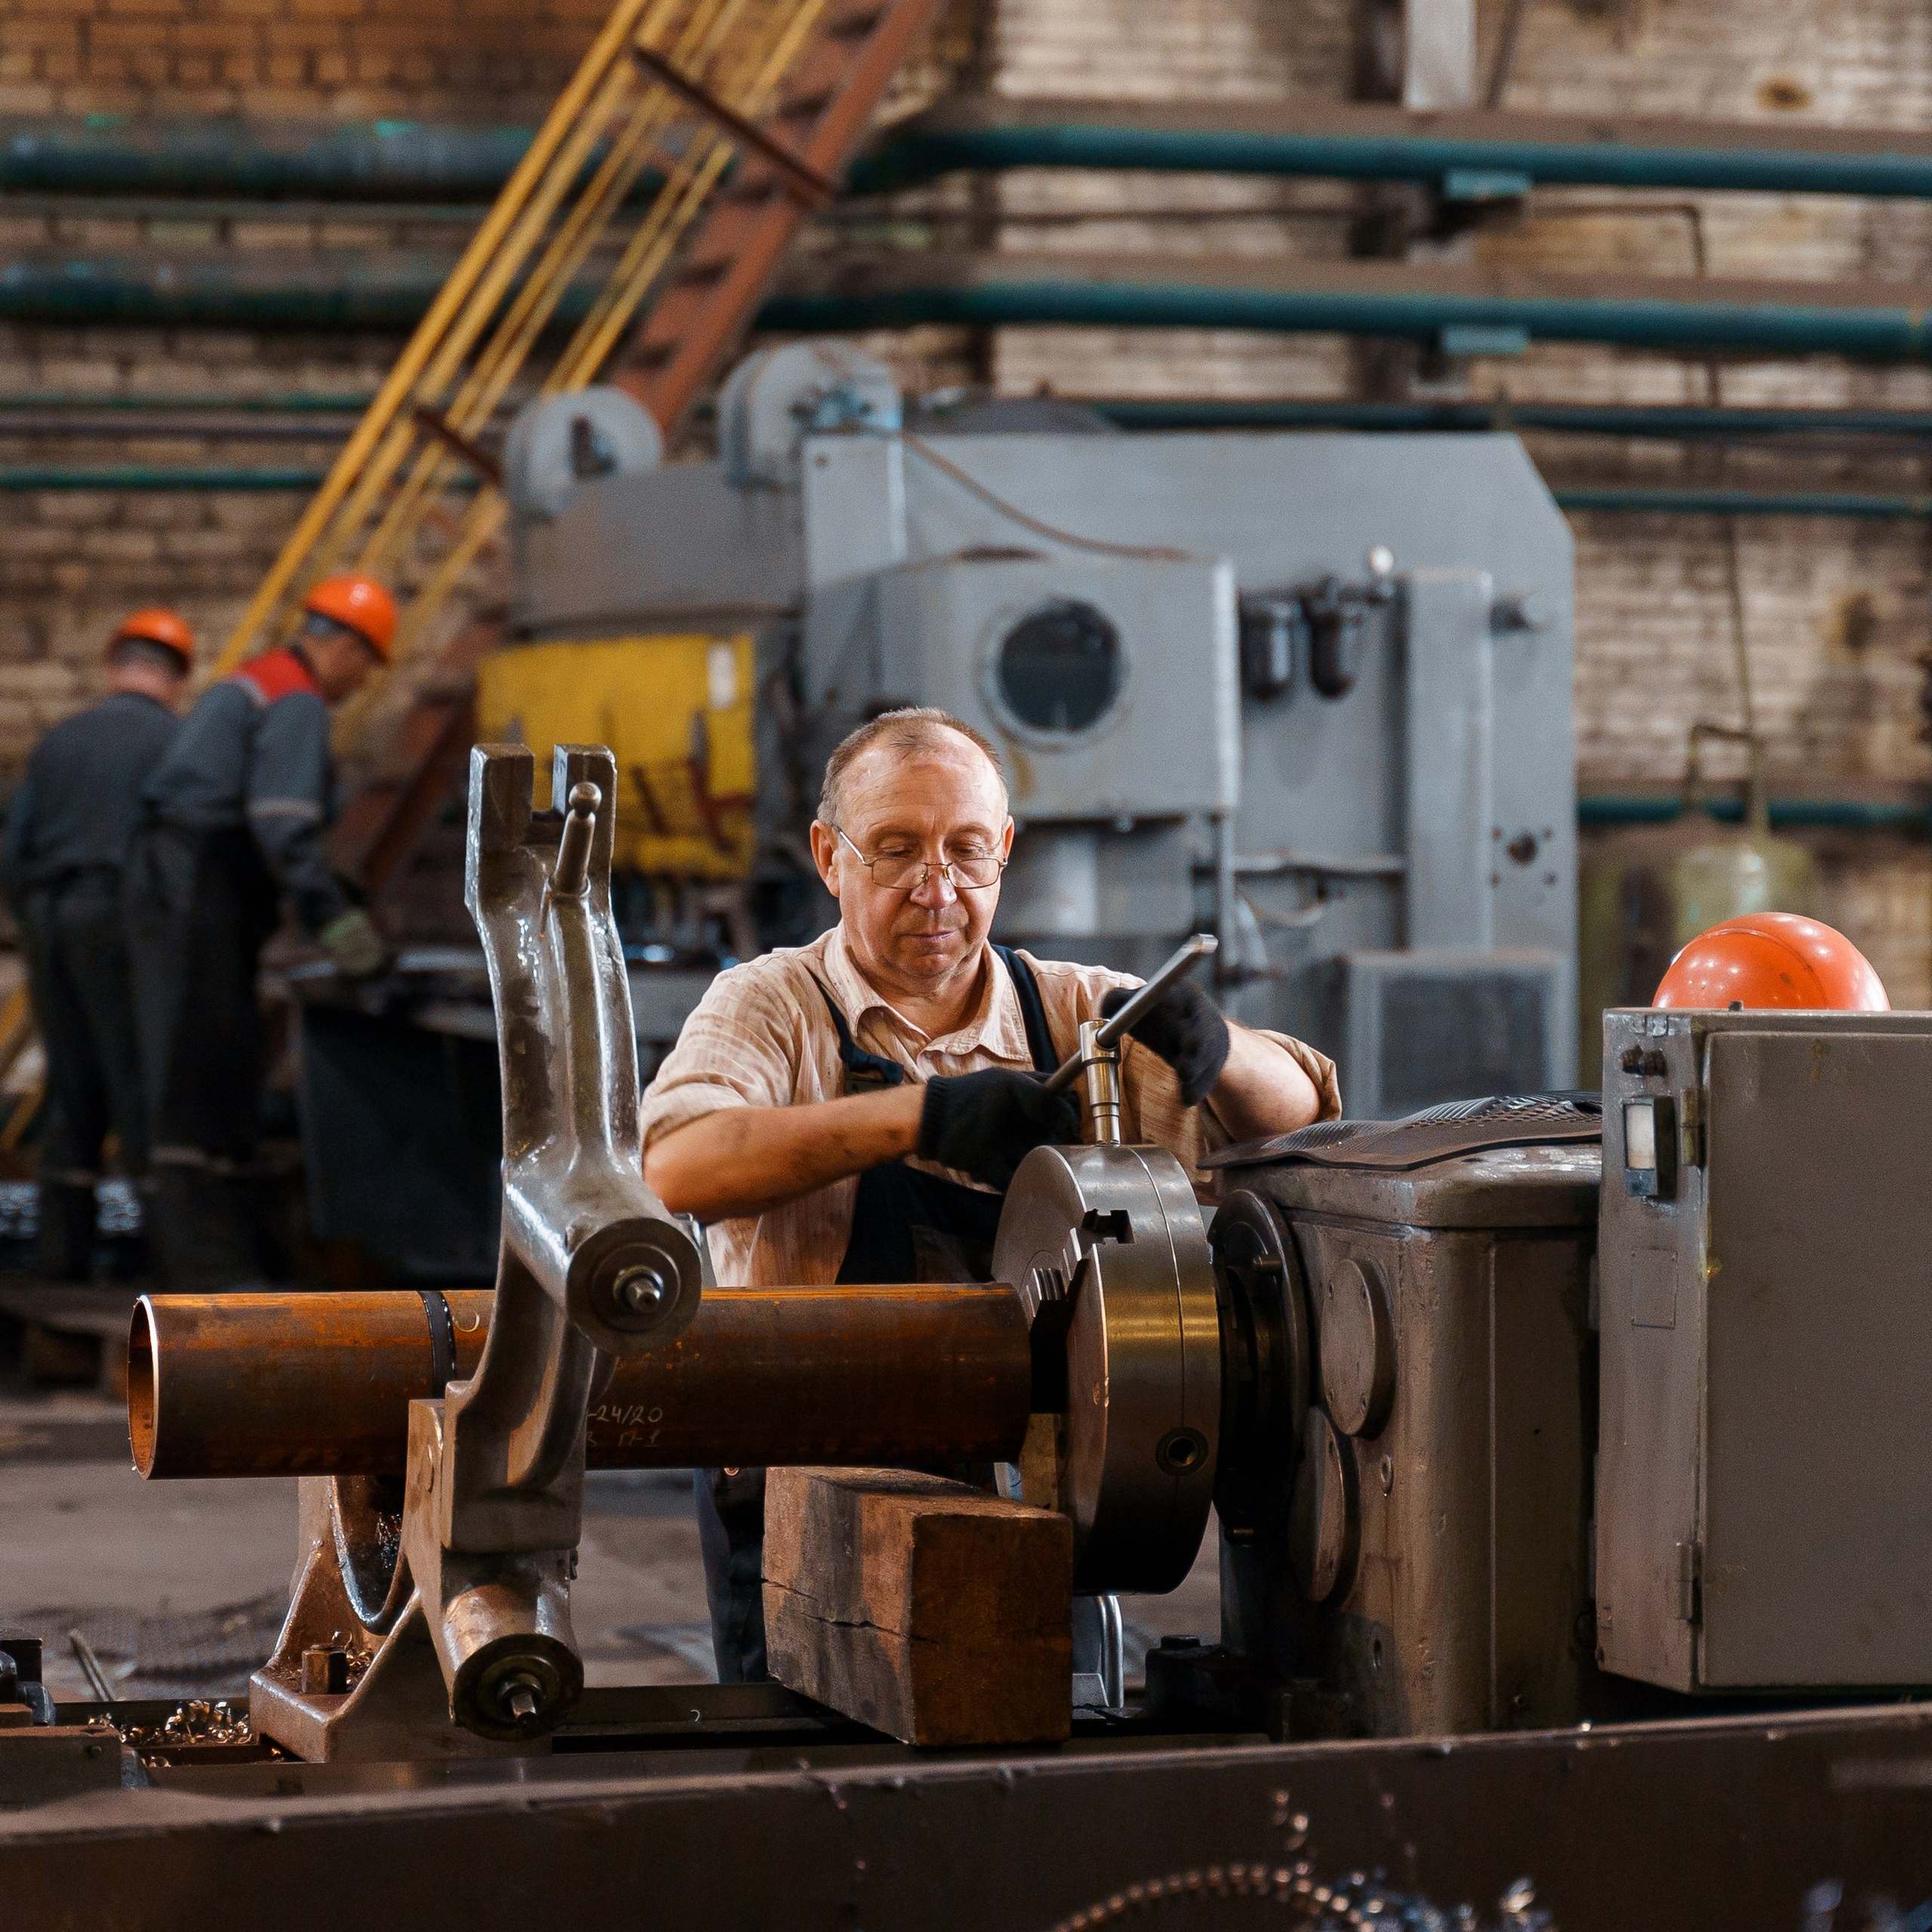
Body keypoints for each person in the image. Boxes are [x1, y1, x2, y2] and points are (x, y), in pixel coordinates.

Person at [641, 706, 1340, 1682]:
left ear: (1004, 850)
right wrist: (916, 1120)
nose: (938, 888)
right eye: (895, 850)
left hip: (1042, 1505)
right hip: (812, 1510)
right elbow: (680, 1162)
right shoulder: (773, 1004)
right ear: (828, 857)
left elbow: (1301, 1112)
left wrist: (1217, 1050)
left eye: (967, 851)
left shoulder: (1069, 1012)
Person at [128, 574, 395, 1289]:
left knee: (194, 1062)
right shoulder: (296, 700)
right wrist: (338, 928)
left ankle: (203, 1256)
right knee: (203, 1070)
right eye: (368, 663)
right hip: (201, 890)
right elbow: (282, 827)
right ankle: (210, 1272)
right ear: (344, 647)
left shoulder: (250, 681)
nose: (363, 681)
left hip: (175, 884)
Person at [1, 611, 192, 1278]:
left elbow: (14, 846)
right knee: (137, 1078)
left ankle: (60, 1261)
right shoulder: (175, 740)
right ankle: (164, 1264)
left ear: (116, 668)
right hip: (120, 925)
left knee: (71, 1084)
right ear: (175, 678)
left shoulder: (61, 739)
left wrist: (36, 916)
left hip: (50, 923)